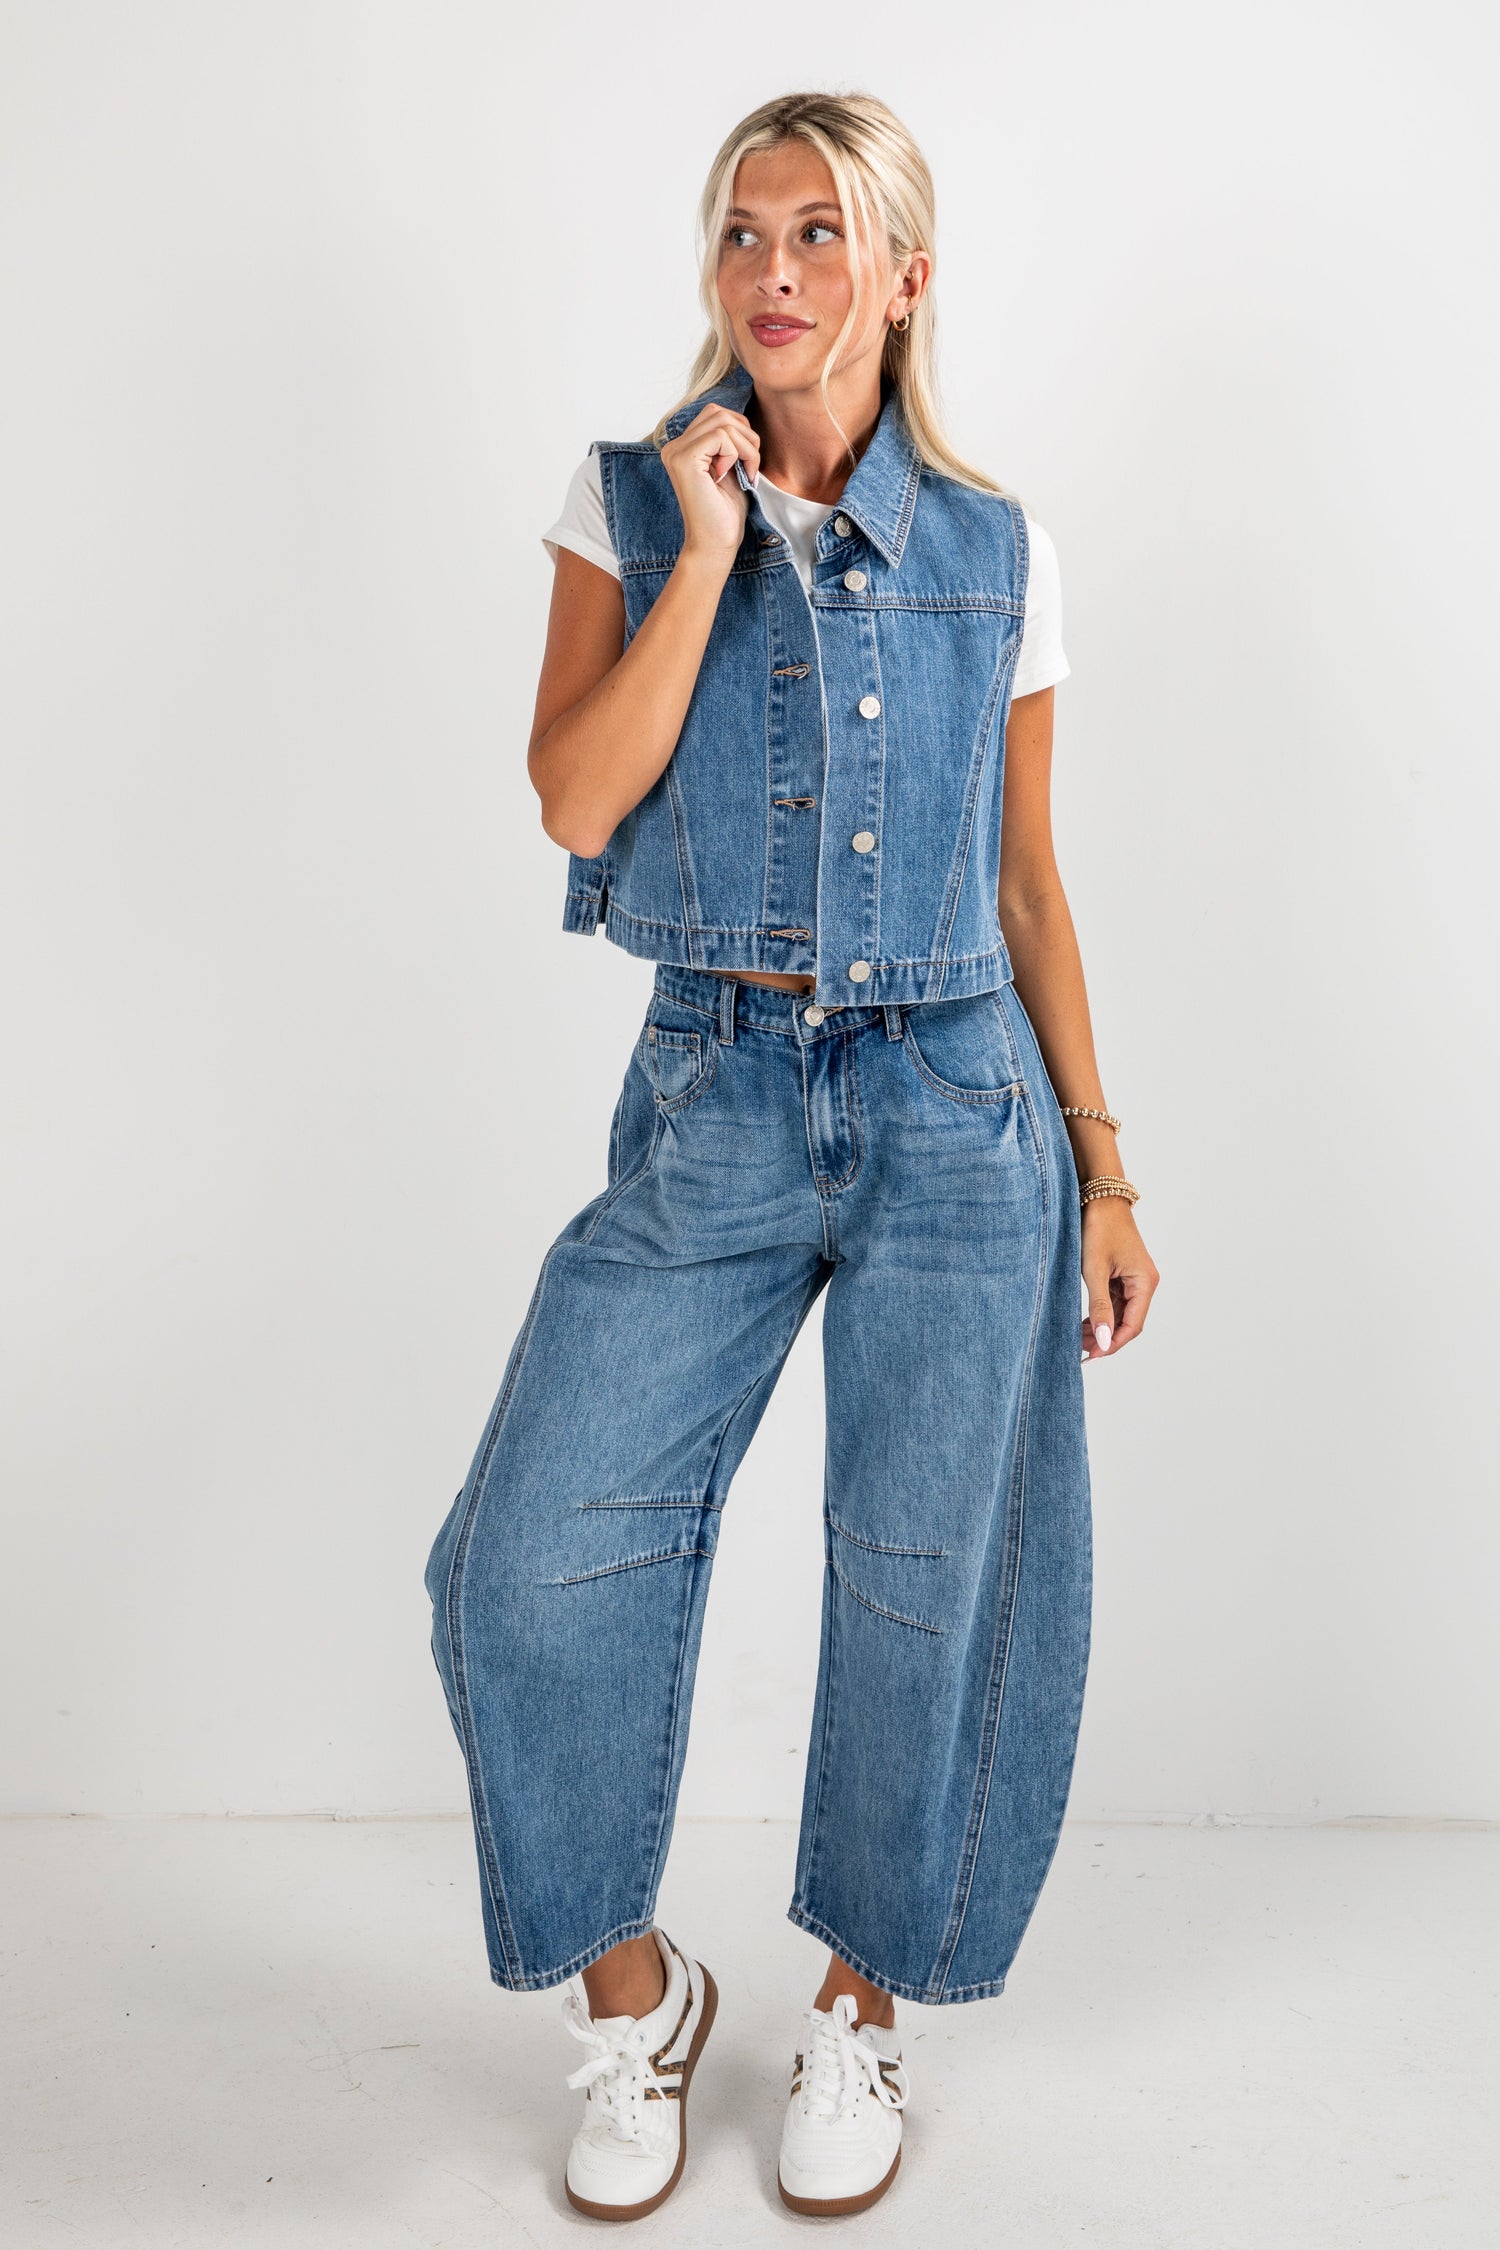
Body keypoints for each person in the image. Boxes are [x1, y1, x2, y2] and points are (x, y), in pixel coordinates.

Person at [424, 87, 1159, 2223]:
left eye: (821, 232)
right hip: (718, 1097)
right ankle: (637, 1996)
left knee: (933, 1580)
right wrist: (708, 553)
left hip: (960, 1108)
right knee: (522, 1559)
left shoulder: (1001, 552)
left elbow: (1027, 887)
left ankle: (861, 2007)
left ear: (904, 277)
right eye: (743, 231)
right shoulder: (625, 502)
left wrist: (1106, 1170)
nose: (772, 271)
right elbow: (577, 799)